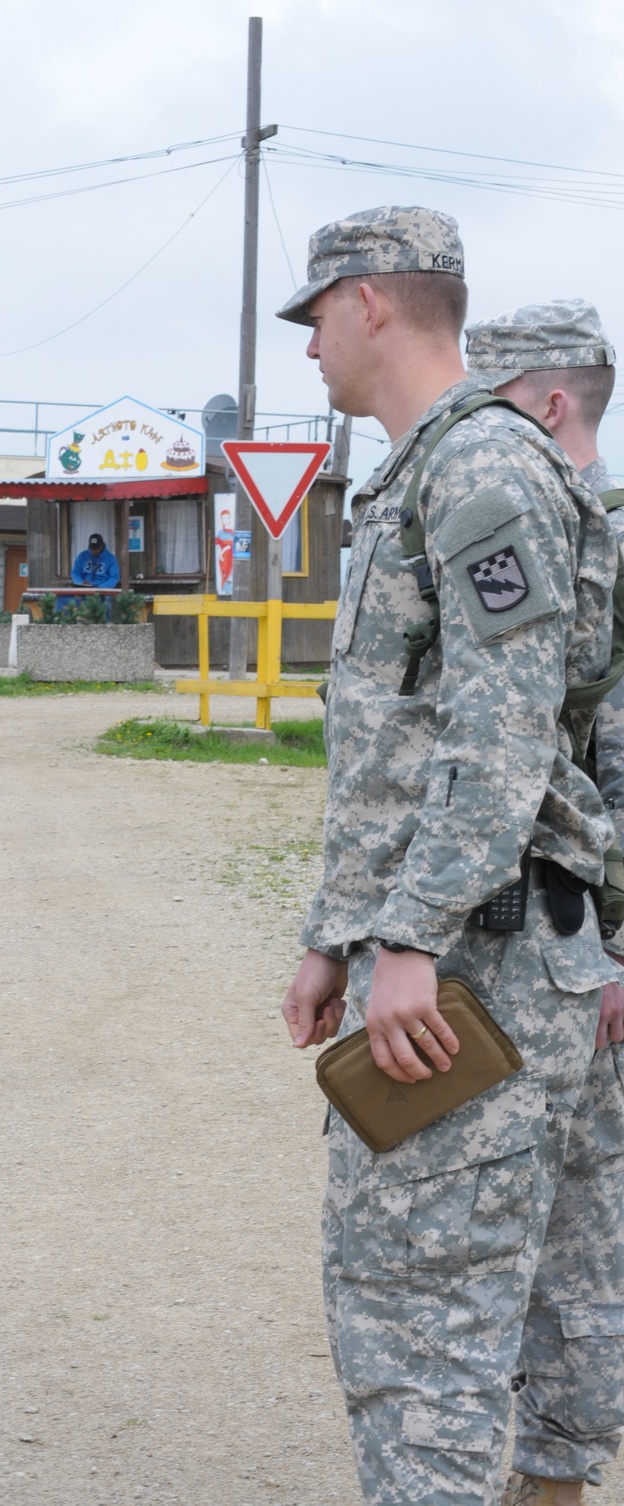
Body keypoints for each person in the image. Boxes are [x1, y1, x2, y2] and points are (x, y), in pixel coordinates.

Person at [277, 207, 619, 1506]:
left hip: (476, 958)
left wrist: (406, 938)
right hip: (467, 944)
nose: (309, 346)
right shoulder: (430, 473)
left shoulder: (479, 469)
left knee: (423, 1320)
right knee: (473, 1305)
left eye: (316, 316)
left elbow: (503, 734)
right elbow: (398, 744)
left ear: (371, 304)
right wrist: (334, 931)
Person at [466, 302, 624, 1506]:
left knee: (549, 1227)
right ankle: (552, 1478)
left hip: (576, 947)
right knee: (575, 1223)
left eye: (494, 400)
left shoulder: (586, 544)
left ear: (550, 404)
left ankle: (548, 1478)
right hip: (566, 946)